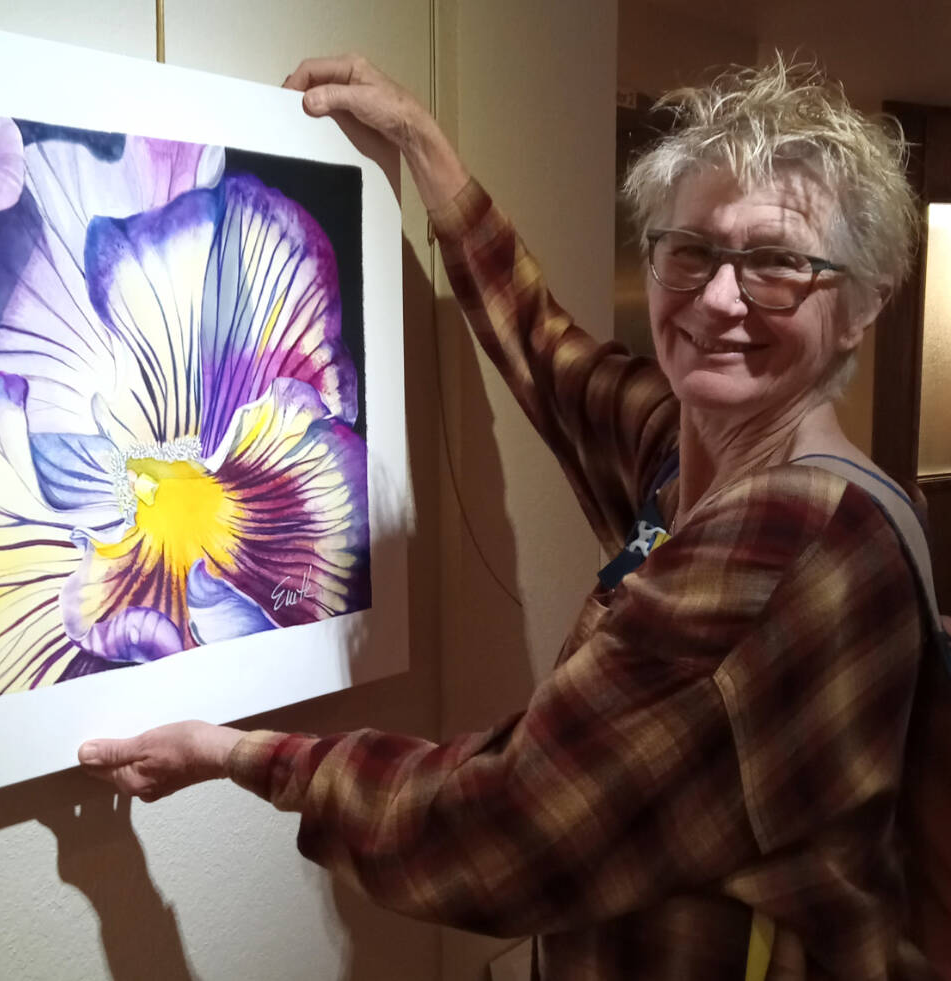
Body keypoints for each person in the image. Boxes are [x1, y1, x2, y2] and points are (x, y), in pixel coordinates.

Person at [79, 54, 945, 977]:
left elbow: (500, 831)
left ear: (861, 305)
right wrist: (426, 148)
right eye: (690, 250)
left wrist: (237, 751)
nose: (719, 298)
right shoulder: (697, 458)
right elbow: (556, 359)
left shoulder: (793, 538)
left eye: (777, 262)